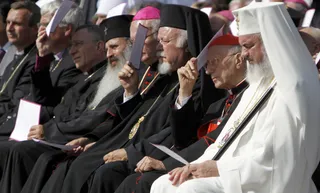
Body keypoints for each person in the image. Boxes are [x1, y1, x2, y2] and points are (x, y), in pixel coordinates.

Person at [43, 4, 223, 193]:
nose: (159, 47)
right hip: (136, 146)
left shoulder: (200, 84)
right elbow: (134, 122)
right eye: (159, 40)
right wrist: (130, 91)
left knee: (104, 172)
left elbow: (178, 134)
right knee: (75, 162)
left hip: (162, 154)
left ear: (187, 45)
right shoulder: (160, 74)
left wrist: (131, 152)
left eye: (165, 41)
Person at [151, 2, 320, 193]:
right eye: (242, 47)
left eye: (248, 46)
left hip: (269, 182)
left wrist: (218, 168)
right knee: (164, 183)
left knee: (192, 190)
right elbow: (226, 140)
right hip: (236, 172)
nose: (245, 55)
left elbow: (281, 161)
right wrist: (194, 166)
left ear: (271, 41)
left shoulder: (294, 88)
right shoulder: (257, 85)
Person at [115, 33, 249, 193]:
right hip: (197, 165)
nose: (208, 71)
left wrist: (166, 164)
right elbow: (183, 139)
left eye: (213, 62)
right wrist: (185, 92)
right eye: (206, 65)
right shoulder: (218, 106)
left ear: (239, 60)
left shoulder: (249, 98)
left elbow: (213, 142)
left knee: (144, 181)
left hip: (225, 173)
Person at [18, 15, 135, 193]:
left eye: (113, 47)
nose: (109, 53)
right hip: (75, 137)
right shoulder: (90, 76)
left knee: (29, 154)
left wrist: (52, 131)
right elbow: (57, 105)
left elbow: (101, 117)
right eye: (107, 48)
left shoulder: (126, 80)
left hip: (97, 143)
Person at [0, 24, 111, 193]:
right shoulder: (83, 75)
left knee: (21, 150)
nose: (72, 51)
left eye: (78, 44)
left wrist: (49, 130)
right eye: (71, 45)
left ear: (99, 46)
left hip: (67, 141)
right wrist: (43, 56)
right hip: (52, 135)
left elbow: (90, 119)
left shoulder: (107, 80)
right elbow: (46, 99)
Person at [0, 0, 84, 141]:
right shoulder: (48, 59)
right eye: (40, 25)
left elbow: (46, 101)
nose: (40, 30)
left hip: (41, 131)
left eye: (46, 25)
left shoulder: (74, 62)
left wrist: (42, 56)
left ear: (67, 29)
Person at [0, 1, 39, 118]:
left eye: (17, 23)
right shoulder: (14, 54)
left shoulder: (36, 61)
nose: (9, 28)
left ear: (34, 28)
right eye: (7, 22)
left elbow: (15, 104)